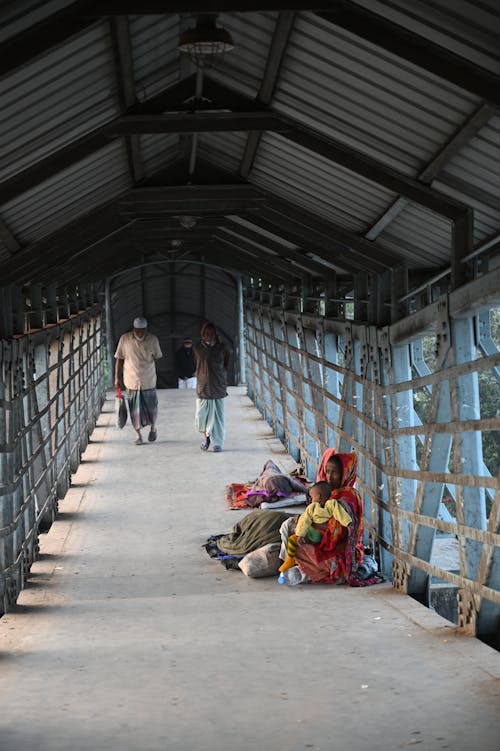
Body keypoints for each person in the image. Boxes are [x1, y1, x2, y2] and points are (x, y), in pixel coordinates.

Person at [279, 450, 383, 586]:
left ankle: (303, 568)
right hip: (322, 541)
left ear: (345, 473)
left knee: (298, 547)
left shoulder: (348, 497)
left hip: (340, 550)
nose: (330, 476)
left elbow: (337, 531)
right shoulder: (329, 492)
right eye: (327, 471)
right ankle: (292, 564)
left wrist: (311, 532)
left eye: (335, 472)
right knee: (290, 530)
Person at [278, 479, 351, 572]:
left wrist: (300, 534)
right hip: (322, 536)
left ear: (319, 497)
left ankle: (289, 560)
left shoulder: (312, 507)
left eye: (312, 497)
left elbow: (305, 520)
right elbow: (340, 514)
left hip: (315, 534)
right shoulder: (332, 504)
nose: (311, 500)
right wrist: (348, 523)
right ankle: (296, 553)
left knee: (292, 539)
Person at [114, 316, 163, 446]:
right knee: (134, 410)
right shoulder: (124, 339)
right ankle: (138, 435)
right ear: (134, 329)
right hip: (131, 381)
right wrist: (116, 378)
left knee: (152, 408)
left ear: (146, 329)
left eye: (142, 330)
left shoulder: (153, 339)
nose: (140, 333)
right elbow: (119, 358)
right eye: (137, 330)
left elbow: (157, 357)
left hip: (148, 380)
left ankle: (153, 427)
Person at [193, 321, 230, 452]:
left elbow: (226, 363)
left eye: (211, 333)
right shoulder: (198, 348)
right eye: (206, 334)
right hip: (202, 387)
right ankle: (207, 437)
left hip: (218, 386)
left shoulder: (222, 347)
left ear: (215, 334)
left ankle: (217, 442)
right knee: (202, 416)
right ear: (202, 335)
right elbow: (195, 364)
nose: (209, 336)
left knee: (218, 417)